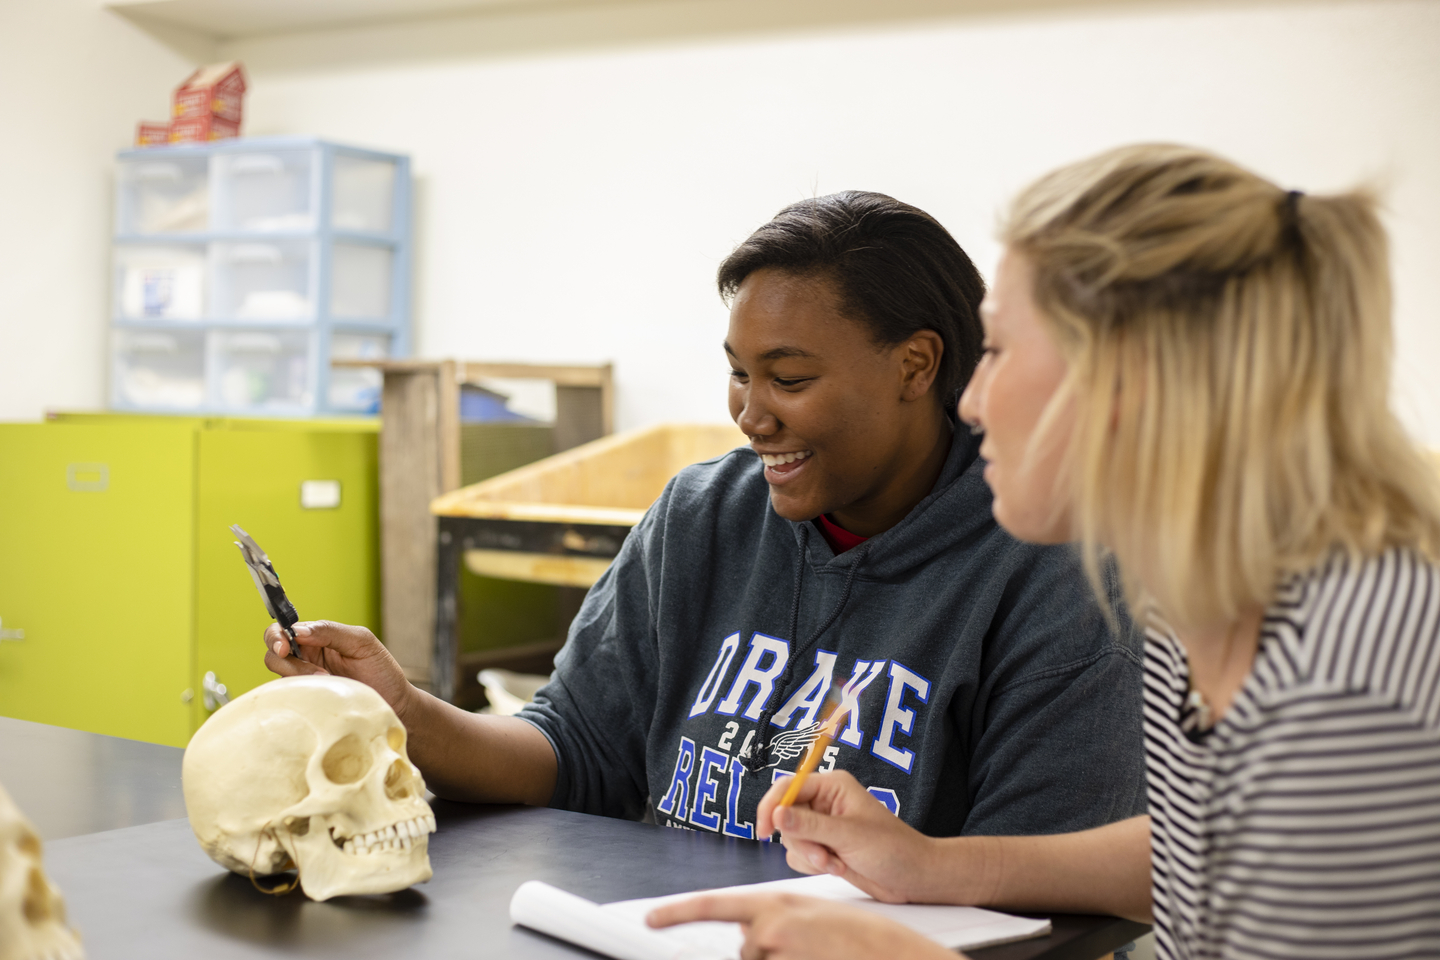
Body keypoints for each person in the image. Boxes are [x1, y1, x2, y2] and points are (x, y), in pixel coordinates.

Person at [649, 146, 1440, 958]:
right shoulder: (1198, 603)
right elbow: (1206, 848)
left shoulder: (1350, 682)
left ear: (1124, 381)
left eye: (997, 352)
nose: (976, 400)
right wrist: (932, 865)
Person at [263, 190, 1146, 843]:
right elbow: (574, 748)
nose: (751, 414)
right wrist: (401, 708)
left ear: (917, 365)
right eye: (739, 372)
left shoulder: (1049, 571)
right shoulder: (703, 515)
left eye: (790, 378)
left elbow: (1041, 888)